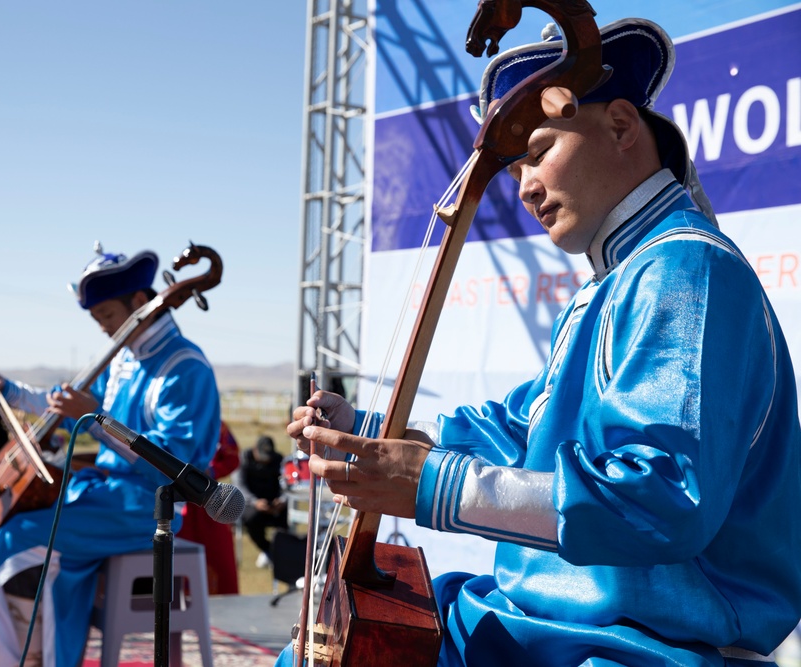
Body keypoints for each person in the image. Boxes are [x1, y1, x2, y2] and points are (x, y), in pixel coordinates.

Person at [277, 18, 801, 667]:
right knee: (331, 646)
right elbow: (522, 432)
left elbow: (663, 497)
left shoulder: (684, 269)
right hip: (554, 623)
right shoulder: (618, 279)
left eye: (537, 149)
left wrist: (436, 485)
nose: (522, 184)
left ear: (620, 127)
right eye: (516, 162)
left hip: (638, 642)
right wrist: (369, 430)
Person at [0, 243, 221, 667]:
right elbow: (70, 408)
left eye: (108, 317)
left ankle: (34, 657)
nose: (104, 330)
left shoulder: (183, 367)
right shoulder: (126, 362)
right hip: (105, 493)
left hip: (145, 509)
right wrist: (12, 391)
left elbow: (175, 464)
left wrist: (95, 420)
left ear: (140, 303)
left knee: (17, 538)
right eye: (98, 320)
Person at [176, 420, 241, 594]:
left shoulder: (217, 425)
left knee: (220, 559)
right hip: (177, 505)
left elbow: (232, 457)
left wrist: (210, 472)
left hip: (210, 503)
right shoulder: (165, 419)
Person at [234, 434, 287, 567]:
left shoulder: (279, 460)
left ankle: (283, 553)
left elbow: (287, 484)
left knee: (287, 517)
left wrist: (281, 500)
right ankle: (268, 550)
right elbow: (239, 485)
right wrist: (256, 502)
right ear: (255, 450)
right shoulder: (243, 459)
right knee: (252, 519)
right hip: (252, 505)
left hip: (275, 505)